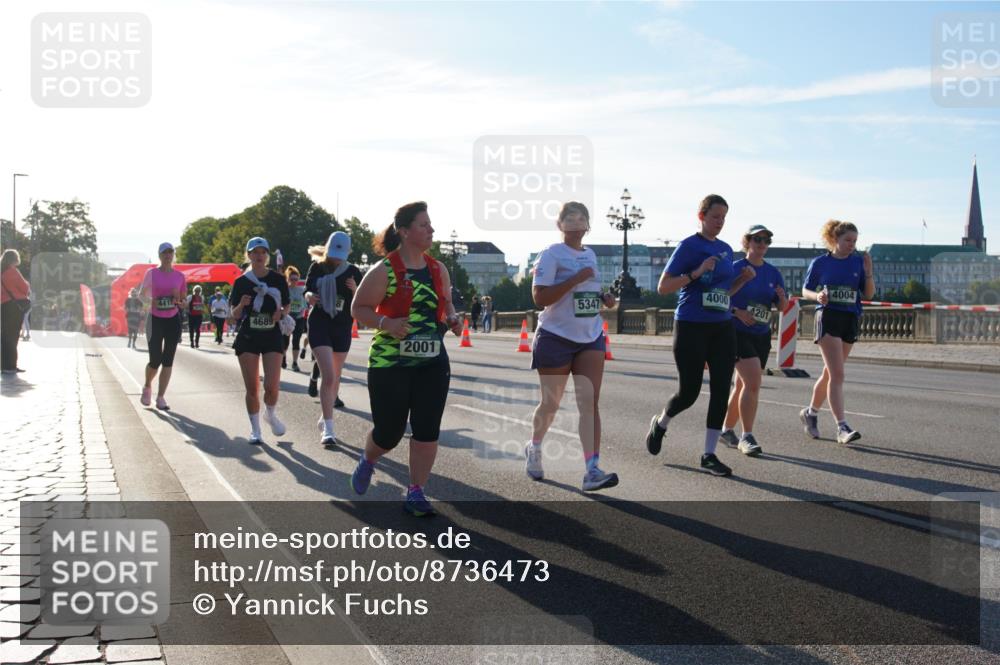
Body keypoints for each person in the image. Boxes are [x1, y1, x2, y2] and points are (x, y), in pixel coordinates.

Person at [349, 202, 463, 516]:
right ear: (405, 231)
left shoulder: (438, 269)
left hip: (431, 360)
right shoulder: (384, 270)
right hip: (390, 363)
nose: (431, 230)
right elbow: (358, 309)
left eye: (430, 224)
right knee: (389, 431)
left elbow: (447, 305)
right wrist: (387, 324)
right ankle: (369, 459)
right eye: (424, 225)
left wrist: (453, 320)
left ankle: (416, 491)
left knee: (427, 429)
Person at [644, 195, 755, 477]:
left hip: (721, 326)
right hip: (691, 324)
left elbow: (723, 295)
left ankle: (708, 455)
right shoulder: (688, 246)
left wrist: (741, 280)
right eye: (715, 216)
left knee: (720, 389)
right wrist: (696, 272)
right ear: (701, 216)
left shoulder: (727, 250)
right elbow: (664, 287)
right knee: (689, 393)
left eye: (724, 218)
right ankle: (661, 423)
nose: (720, 222)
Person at [525, 202, 619, 491]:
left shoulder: (589, 253)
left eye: (582, 217)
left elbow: (588, 290)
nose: (577, 221)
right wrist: (575, 279)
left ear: (588, 224)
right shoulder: (551, 254)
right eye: (570, 217)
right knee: (551, 403)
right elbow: (539, 298)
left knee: (589, 402)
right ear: (560, 224)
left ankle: (592, 470)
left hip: (590, 335)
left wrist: (604, 296)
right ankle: (535, 446)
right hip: (555, 335)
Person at [799, 220, 875, 445]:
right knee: (838, 374)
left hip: (850, 318)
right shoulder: (821, 262)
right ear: (835, 239)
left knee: (830, 373)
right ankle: (842, 427)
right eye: (847, 240)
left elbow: (868, 294)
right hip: (828, 318)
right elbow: (805, 290)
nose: (852, 245)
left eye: (855, 241)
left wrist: (868, 272)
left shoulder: (858, 262)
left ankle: (810, 413)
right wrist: (817, 297)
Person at [719, 225, 787, 456]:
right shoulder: (734, 268)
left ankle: (726, 430)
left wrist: (781, 299)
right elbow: (719, 297)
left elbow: (783, 307)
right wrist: (737, 312)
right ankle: (746, 436)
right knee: (753, 383)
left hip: (761, 333)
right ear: (747, 241)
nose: (762, 243)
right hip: (736, 331)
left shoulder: (773, 273)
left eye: (766, 240)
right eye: (757, 239)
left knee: (742, 385)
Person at [229, 237, 290, 444]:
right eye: (255, 252)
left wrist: (280, 313)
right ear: (249, 255)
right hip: (248, 337)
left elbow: (287, 306)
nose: (259, 256)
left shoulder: (278, 279)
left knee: (272, 386)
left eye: (263, 252)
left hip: (271, 335)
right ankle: (255, 430)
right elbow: (233, 315)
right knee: (252, 388)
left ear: (268, 255)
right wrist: (242, 305)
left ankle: (270, 414)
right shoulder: (241, 282)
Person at [304, 232, 363, 444]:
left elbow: (362, 302)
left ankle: (324, 414)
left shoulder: (354, 272)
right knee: (328, 375)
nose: (336, 258)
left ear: (347, 252)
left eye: (341, 254)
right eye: (334, 253)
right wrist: (309, 296)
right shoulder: (318, 267)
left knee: (336, 377)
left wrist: (355, 290)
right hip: (320, 323)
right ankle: (328, 430)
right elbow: (307, 290)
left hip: (342, 326)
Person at [138, 243, 186, 409]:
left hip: (172, 319)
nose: (168, 255)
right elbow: (141, 296)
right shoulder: (151, 273)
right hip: (155, 319)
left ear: (173, 255)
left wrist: (178, 299)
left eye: (170, 252)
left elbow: (183, 302)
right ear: (159, 255)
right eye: (164, 253)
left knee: (168, 360)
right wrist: (154, 301)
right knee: (155, 359)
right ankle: (147, 386)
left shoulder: (180, 276)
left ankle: (160, 397)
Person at [1, 249, 31, 374]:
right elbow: (24, 288)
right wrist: (27, 285)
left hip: (3, 304)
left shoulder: (1, 272)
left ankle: (3, 364)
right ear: (15, 259)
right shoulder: (13, 272)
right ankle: (11, 366)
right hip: (14, 306)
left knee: (4, 335)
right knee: (13, 336)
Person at [282, 266, 307, 371]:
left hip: (299, 318)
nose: (294, 281)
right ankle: (283, 359)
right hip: (287, 319)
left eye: (296, 279)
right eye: (292, 279)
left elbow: (305, 305)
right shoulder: (284, 290)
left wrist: (301, 312)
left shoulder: (302, 290)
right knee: (285, 341)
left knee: (296, 341)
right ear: (287, 279)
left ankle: (295, 363)